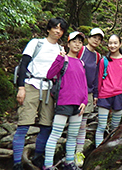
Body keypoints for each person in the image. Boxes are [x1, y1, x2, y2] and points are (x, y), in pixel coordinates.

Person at [12, 17, 68, 170]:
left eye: (61, 29)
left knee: (46, 125)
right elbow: (23, 64)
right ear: (49, 29)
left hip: (49, 88)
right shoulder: (36, 43)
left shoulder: (60, 50)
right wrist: (21, 87)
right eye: (55, 27)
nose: (58, 31)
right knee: (24, 124)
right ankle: (17, 162)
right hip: (31, 84)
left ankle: (38, 156)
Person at [43, 31, 88, 170]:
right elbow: (50, 74)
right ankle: (48, 165)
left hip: (78, 104)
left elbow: (84, 84)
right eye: (74, 41)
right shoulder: (63, 59)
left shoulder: (81, 62)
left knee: (73, 135)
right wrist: (59, 58)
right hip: (64, 101)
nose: (77, 44)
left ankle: (69, 162)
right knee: (56, 133)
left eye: (80, 42)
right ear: (68, 43)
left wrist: (85, 101)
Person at [94, 34, 122, 147]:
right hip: (104, 95)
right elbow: (99, 79)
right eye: (110, 43)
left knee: (115, 127)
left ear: (120, 44)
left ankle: (108, 149)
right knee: (101, 126)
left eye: (115, 43)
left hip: (119, 96)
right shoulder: (104, 61)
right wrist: (96, 95)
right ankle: (97, 151)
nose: (112, 45)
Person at [73, 27, 103, 167]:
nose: (96, 40)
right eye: (94, 37)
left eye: (99, 39)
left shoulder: (97, 56)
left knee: (82, 125)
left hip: (89, 93)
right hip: (73, 91)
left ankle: (78, 153)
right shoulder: (80, 50)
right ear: (89, 38)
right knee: (72, 123)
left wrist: (96, 94)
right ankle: (68, 153)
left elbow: (96, 77)